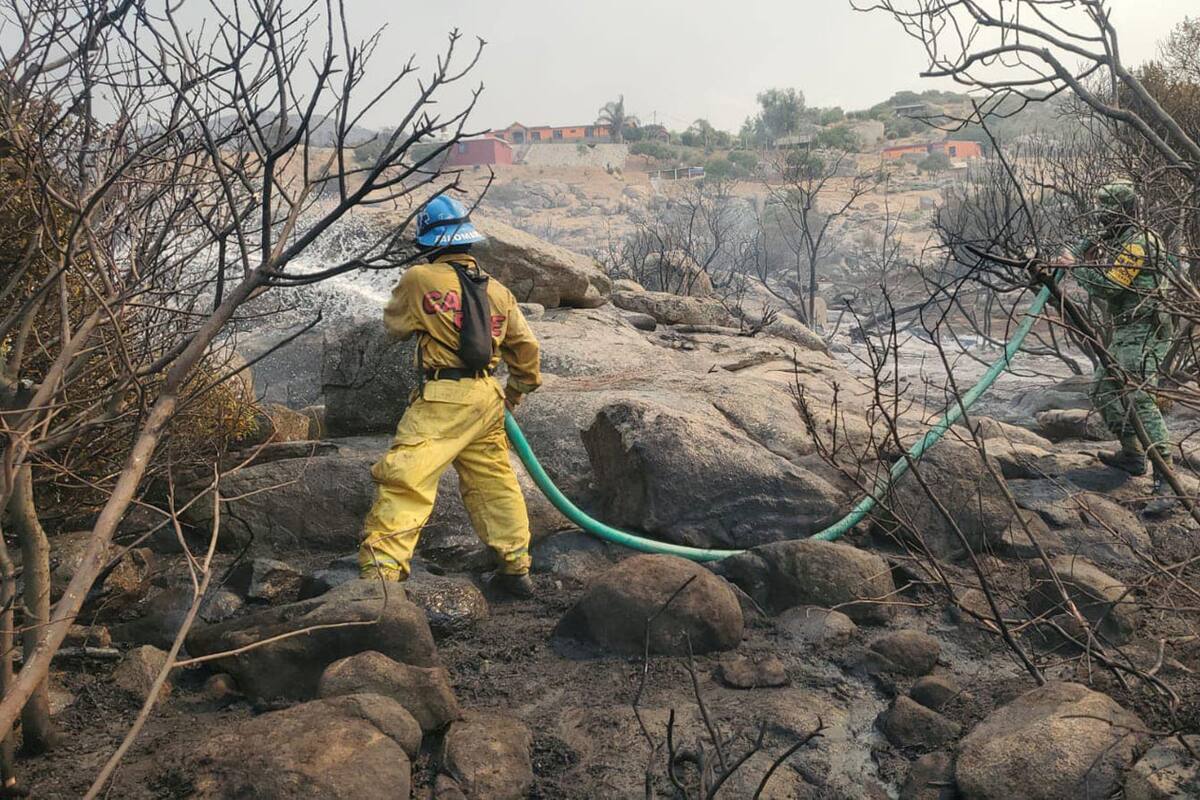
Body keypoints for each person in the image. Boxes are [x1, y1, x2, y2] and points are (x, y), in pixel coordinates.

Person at [358, 194, 542, 596]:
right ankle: (515, 567)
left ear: (431, 243)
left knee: (407, 478)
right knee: (493, 480)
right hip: (486, 398)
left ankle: (380, 578)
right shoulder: (498, 291)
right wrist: (514, 393)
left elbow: (394, 326)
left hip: (443, 398)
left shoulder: (419, 279)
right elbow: (527, 351)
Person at [1065, 181, 1175, 513]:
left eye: (1107, 214)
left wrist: (1077, 267)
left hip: (1145, 329)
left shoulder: (1139, 244)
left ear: (1123, 212)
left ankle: (1167, 482)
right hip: (1128, 329)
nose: (1101, 220)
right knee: (1102, 388)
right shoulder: (1125, 237)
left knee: (1140, 398)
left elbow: (1112, 286)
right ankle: (1132, 454)